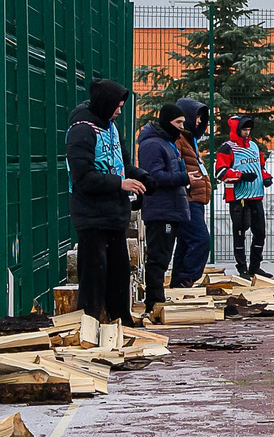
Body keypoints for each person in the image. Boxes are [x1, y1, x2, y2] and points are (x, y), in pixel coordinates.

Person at [67, 80, 145, 325]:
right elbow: (83, 177)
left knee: (119, 275)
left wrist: (142, 178)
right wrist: (120, 184)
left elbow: (123, 166)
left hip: (114, 215)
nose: (119, 111)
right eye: (117, 106)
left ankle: (122, 322)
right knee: (93, 278)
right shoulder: (81, 130)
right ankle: (89, 326)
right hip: (92, 217)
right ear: (104, 104)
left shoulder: (111, 128)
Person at [134, 103, 192, 321]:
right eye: (178, 123)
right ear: (167, 122)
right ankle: (154, 302)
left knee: (163, 256)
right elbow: (155, 177)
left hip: (170, 208)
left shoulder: (168, 143)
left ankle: (157, 299)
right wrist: (185, 178)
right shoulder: (153, 145)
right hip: (161, 209)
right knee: (158, 257)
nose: (181, 127)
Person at [216, 115, 268, 281]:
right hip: (238, 198)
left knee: (260, 232)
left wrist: (266, 177)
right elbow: (220, 172)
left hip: (256, 196)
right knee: (240, 232)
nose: (247, 133)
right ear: (237, 130)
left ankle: (255, 266)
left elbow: (260, 167)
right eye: (244, 130)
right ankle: (242, 267)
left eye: (249, 130)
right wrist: (240, 176)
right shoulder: (227, 148)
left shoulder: (254, 146)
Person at [172, 98, 212, 286]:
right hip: (188, 199)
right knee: (201, 239)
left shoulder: (190, 140)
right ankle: (186, 278)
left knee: (185, 243)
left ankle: (178, 282)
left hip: (195, 198)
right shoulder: (179, 140)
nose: (198, 121)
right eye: (196, 117)